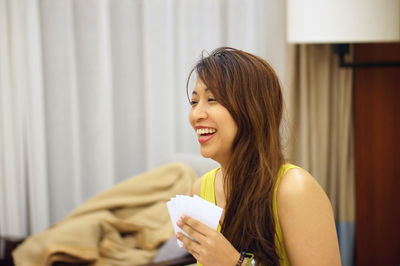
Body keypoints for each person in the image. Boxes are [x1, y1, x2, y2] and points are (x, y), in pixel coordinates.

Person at [175, 47, 341, 266]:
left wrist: (236, 263)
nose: (196, 115)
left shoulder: (295, 190)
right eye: (194, 102)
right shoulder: (200, 189)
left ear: (252, 108)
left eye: (212, 99)